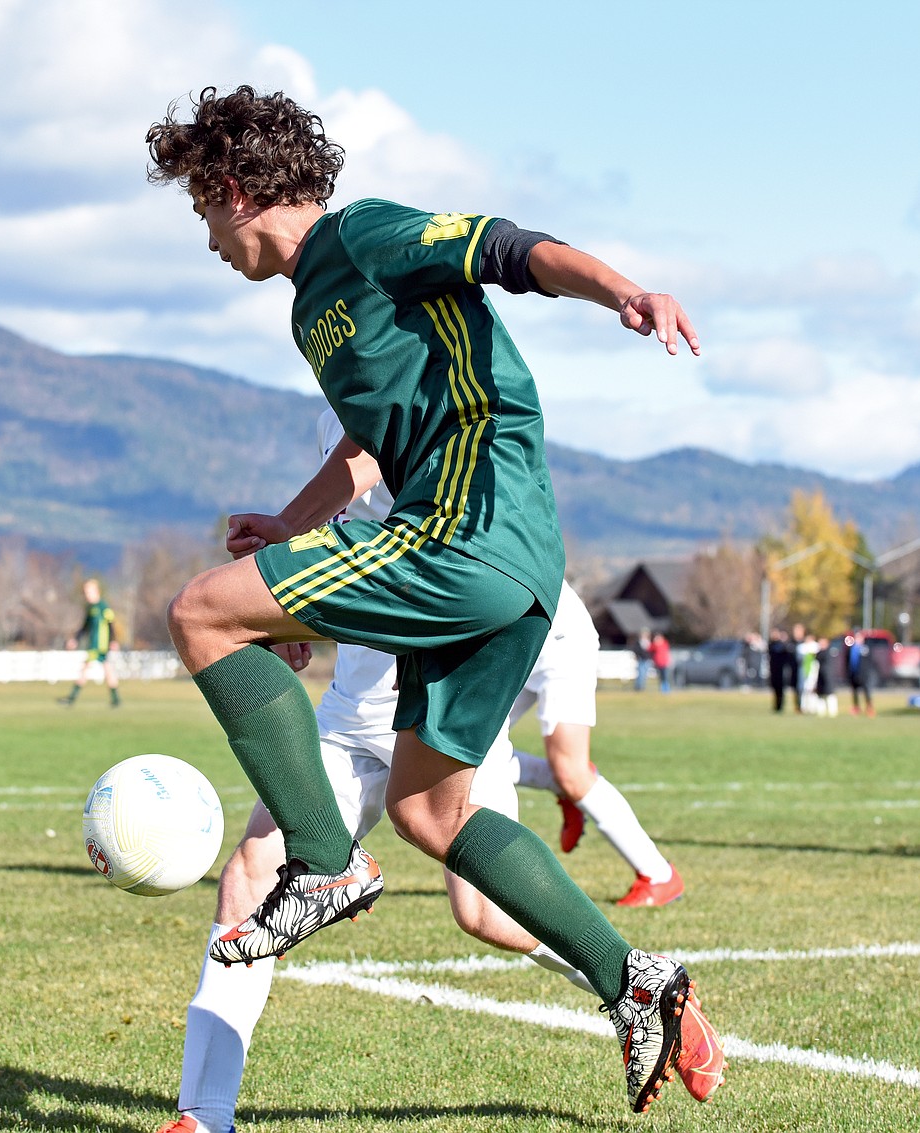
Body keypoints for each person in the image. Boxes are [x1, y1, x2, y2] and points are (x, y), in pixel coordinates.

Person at [147, 85, 710, 1112]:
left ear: (237, 189)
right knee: (428, 810)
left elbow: (503, 246)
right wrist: (288, 526)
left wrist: (624, 291)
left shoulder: (361, 236)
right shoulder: (312, 307)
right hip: (511, 568)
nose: (207, 240)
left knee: (200, 611)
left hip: (466, 530)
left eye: (202, 213)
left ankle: (323, 861)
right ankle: (636, 980)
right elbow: (368, 447)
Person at [159, 413, 723, 1133]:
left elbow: (367, 457)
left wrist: (285, 542)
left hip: (441, 689)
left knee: (484, 911)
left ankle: (635, 981)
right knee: (251, 871)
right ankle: (204, 1116)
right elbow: (365, 536)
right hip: (355, 700)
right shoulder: (333, 346)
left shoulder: (388, 324)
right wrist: (283, 611)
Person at [500, 581, 685, 907]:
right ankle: (559, 784)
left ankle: (659, 875)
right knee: (471, 752)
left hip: (558, 640)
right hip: (513, 642)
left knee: (572, 771)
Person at [57, 578, 121, 708]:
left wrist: (113, 641)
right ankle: (115, 699)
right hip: (93, 644)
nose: (86, 594)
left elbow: (111, 624)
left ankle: (72, 698)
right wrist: (75, 639)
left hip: (100, 645)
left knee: (87, 669)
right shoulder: (90, 608)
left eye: (89, 591)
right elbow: (85, 627)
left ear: (96, 591)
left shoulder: (103, 606)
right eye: (85, 591)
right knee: (106, 670)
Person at [847, 630, 876, 716]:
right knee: (855, 692)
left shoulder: (865, 648)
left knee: (866, 691)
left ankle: (869, 708)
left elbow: (869, 661)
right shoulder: (851, 649)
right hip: (853, 673)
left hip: (863, 674)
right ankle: (856, 708)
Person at [767, 628, 794, 712]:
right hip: (773, 670)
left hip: (781, 671)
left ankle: (780, 706)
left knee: (780, 690)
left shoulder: (783, 645)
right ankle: (776, 706)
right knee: (775, 689)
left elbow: (788, 655)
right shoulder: (771, 645)